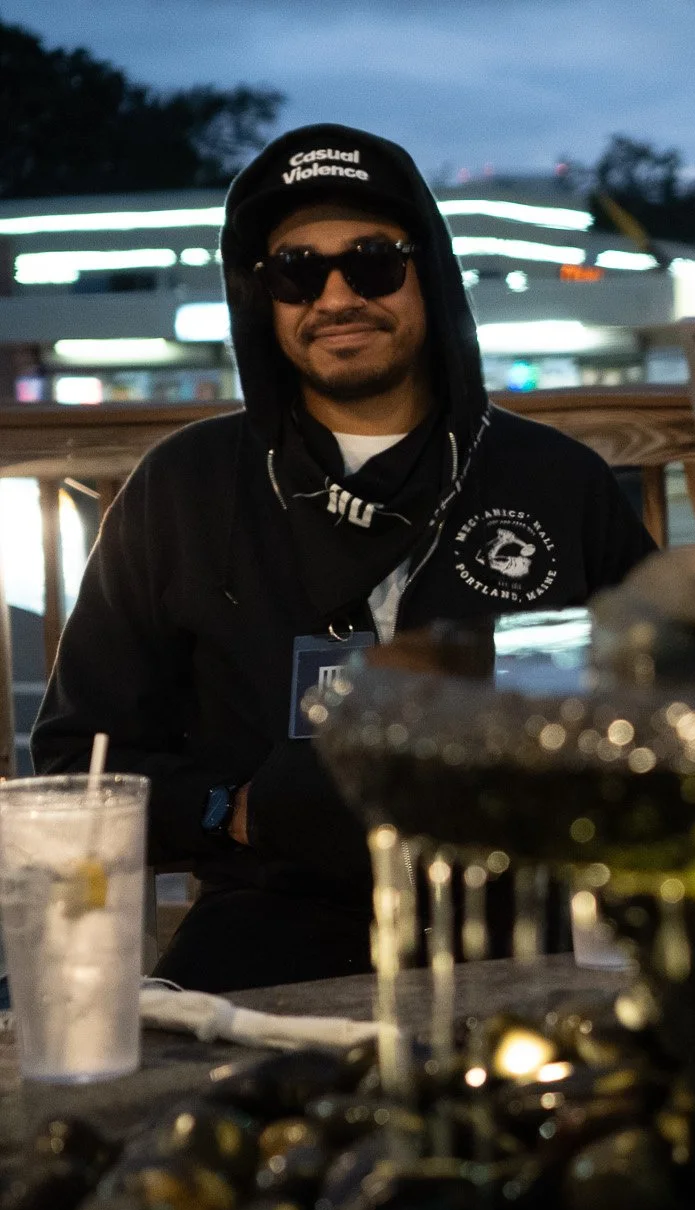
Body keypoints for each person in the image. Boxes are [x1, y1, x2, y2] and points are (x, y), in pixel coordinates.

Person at [33, 124, 657, 992]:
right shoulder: (186, 487)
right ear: (263, 297)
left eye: (372, 261)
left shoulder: (559, 483)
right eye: (296, 270)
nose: (335, 296)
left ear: (427, 274)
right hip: (272, 917)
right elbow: (80, 762)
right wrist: (237, 811)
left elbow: (672, 702)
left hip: (522, 925)